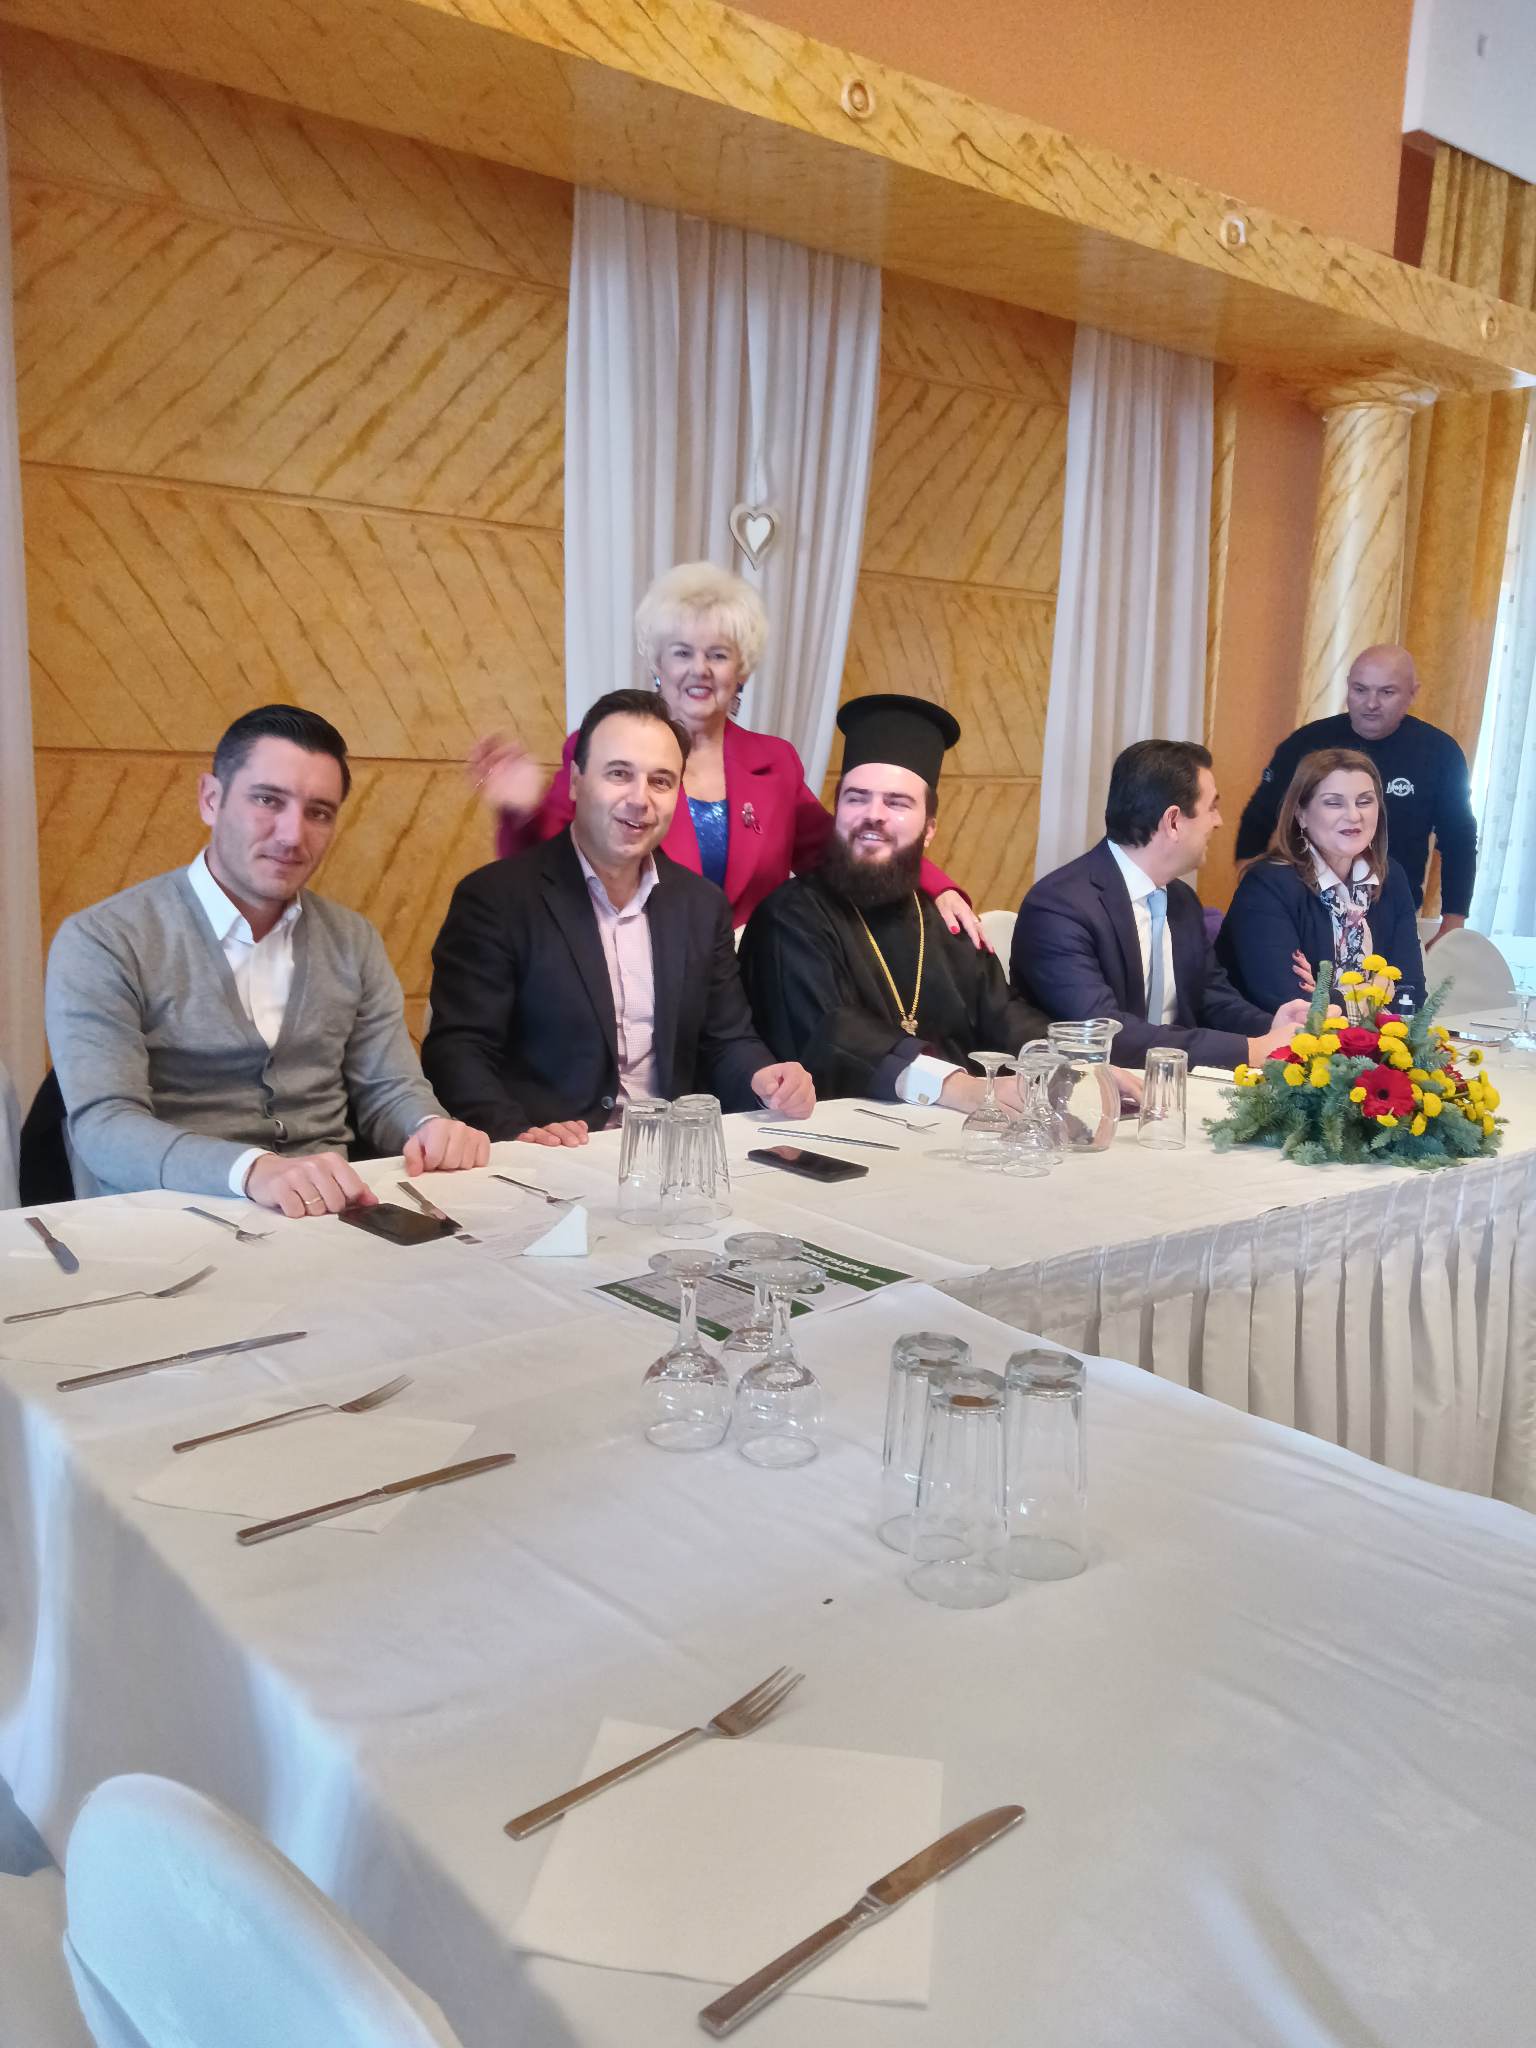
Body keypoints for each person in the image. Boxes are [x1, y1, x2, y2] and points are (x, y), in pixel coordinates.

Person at [45, 706, 489, 1215]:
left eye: (318, 812)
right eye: (267, 800)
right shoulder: (104, 939)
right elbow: (105, 1126)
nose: (292, 835)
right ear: (211, 799)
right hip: (167, 1220)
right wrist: (252, 1170)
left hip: (329, 1216)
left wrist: (428, 1126)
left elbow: (388, 1088)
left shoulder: (352, 940)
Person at [467, 561, 984, 939]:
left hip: (753, 988)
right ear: (658, 665)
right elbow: (550, 866)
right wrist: (521, 813)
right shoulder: (601, 749)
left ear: (742, 671)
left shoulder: (775, 763)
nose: (700, 670)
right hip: (639, 984)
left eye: (718, 654)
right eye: (682, 652)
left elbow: (841, 849)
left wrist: (935, 886)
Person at [424, 689, 815, 1143]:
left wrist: (766, 1079)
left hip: (668, 1155)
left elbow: (727, 1040)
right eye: (619, 774)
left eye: (661, 781)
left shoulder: (701, 906)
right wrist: (517, 1133)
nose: (639, 799)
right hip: (550, 1157)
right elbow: (459, 1050)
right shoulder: (496, 898)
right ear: (576, 782)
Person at [739, 694, 1057, 1110]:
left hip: (955, 1130)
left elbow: (1003, 1014)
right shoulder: (790, 916)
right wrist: (958, 1088)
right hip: (834, 1132)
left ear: (929, 829)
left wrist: (1073, 1062)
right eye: (856, 798)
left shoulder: (944, 921)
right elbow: (831, 1031)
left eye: (897, 802)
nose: (873, 814)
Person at [1013, 740, 1310, 1070]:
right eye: (1211, 807)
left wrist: (1272, 1027)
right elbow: (1105, 1033)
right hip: (1089, 1086)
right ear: (1173, 821)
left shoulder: (1181, 899)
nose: (1218, 822)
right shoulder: (1059, 908)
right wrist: (1248, 1050)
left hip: (1175, 1082)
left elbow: (1211, 998)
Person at [1234, 645, 1476, 928]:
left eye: (1386, 692)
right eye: (1360, 690)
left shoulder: (1439, 753)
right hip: (1306, 909)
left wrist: (1453, 920)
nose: (1371, 704)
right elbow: (1258, 818)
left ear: (1412, 693)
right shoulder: (1306, 743)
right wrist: (1250, 893)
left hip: (1392, 911)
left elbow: (1459, 839)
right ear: (1348, 687)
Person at [1217, 749, 1426, 1014]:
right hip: (1274, 1039)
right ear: (1301, 814)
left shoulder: (1391, 876)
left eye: (1364, 801)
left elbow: (1410, 992)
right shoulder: (1267, 885)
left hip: (1370, 1040)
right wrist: (1372, 992)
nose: (1354, 816)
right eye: (1334, 803)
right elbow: (1291, 1005)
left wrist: (1325, 995)